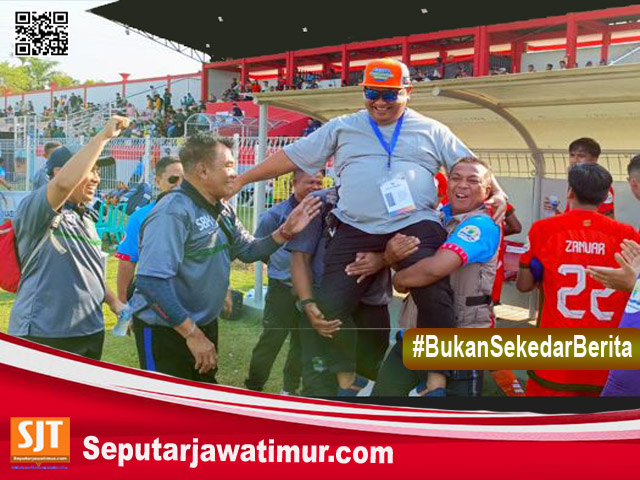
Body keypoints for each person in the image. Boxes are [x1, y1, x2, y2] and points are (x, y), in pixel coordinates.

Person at [232, 58, 508, 392]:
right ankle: (344, 377)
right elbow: (293, 156)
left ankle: (437, 378)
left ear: (408, 92)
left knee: (432, 290)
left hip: (413, 222)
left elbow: (470, 165)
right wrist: (241, 180)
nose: (379, 102)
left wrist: (498, 193)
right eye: (371, 93)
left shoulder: (432, 130)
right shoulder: (343, 126)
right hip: (356, 226)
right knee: (328, 306)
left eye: (389, 95)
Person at [128, 133, 321, 383]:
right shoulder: (173, 212)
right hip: (166, 329)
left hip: (202, 324)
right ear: (202, 171)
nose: (235, 173)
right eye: (228, 165)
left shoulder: (222, 208)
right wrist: (192, 334)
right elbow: (151, 282)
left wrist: (285, 232)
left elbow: (248, 251)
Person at [373, 157, 501, 396]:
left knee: (454, 418)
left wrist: (398, 278)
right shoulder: (436, 218)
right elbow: (406, 267)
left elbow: (435, 269)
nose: (462, 185)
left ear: (487, 191)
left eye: (473, 181)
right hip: (414, 333)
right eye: (456, 178)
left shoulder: (481, 225)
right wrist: (390, 256)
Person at [8, 117, 130, 360]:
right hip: (45, 333)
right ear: (59, 172)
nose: (96, 179)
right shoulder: (37, 208)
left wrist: (114, 303)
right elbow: (63, 186)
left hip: (89, 331)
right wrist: (103, 136)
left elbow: (89, 272)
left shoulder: (86, 218)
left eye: (97, 171)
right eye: (91, 170)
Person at [517, 163, 640, 396]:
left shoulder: (543, 229)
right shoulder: (628, 236)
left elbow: (523, 285)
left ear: (570, 192)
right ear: (604, 197)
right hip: (606, 359)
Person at [288, 186, 413, 396]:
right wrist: (308, 303)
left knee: (365, 386)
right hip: (323, 309)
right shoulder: (321, 202)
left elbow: (409, 250)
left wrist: (382, 259)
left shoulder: (396, 200)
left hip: (372, 308)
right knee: (319, 388)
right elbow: (300, 257)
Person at [245, 170, 323, 395]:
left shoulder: (324, 213)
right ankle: (254, 388)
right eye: (310, 182)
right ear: (294, 183)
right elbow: (260, 248)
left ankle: (289, 389)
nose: (315, 186)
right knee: (271, 340)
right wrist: (280, 268)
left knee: (301, 344)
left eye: (320, 182)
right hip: (282, 289)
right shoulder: (275, 215)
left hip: (311, 292)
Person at [115, 156, 184, 303]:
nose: (179, 185)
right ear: (157, 182)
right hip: (154, 301)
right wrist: (122, 302)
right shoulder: (140, 217)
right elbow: (127, 262)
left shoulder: (201, 213)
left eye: (185, 180)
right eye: (173, 179)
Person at [545, 138, 615, 218]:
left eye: (581, 156)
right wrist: (555, 212)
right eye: (572, 155)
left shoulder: (601, 185)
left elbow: (608, 218)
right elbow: (571, 218)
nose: (575, 160)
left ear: (594, 159)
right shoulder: (574, 182)